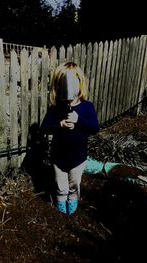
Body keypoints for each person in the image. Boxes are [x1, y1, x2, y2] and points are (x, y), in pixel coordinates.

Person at [40, 62, 99, 215]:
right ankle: (60, 207)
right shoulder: (55, 109)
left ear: (80, 83)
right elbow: (44, 128)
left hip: (78, 156)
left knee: (74, 184)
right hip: (58, 157)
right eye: (61, 83)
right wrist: (59, 124)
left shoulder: (87, 107)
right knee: (61, 186)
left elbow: (94, 128)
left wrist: (79, 121)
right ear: (58, 86)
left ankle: (72, 200)